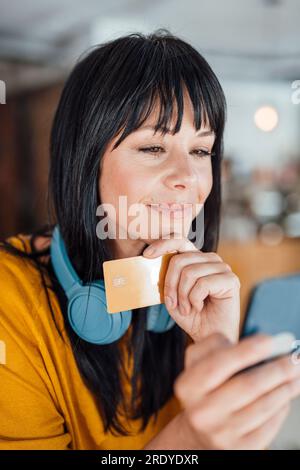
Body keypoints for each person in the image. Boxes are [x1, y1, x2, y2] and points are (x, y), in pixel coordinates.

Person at [1, 29, 300, 450]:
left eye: (201, 151)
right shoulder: (8, 299)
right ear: (85, 159)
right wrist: (193, 437)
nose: (187, 178)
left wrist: (217, 346)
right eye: (153, 148)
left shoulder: (199, 285)